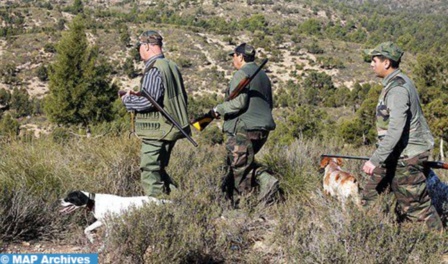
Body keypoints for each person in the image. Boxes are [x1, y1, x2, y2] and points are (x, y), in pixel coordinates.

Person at [361, 41, 443, 231]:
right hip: (394, 154)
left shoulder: (398, 89)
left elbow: (395, 130)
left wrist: (375, 160)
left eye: (374, 60)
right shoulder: (395, 83)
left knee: (415, 206)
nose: (371, 64)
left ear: (387, 63)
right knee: (370, 194)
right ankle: (366, 237)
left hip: (407, 156)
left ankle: (439, 247)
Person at [120, 30, 191, 197]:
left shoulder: (154, 68)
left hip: (157, 130)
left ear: (146, 46)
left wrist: (127, 100)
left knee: (150, 170)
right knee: (159, 169)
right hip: (172, 127)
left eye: (140, 46)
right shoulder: (170, 65)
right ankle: (179, 202)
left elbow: (148, 102)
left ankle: (158, 209)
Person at [210, 43, 280, 206]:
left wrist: (218, 109)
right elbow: (269, 103)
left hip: (243, 128)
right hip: (262, 128)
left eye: (234, 56)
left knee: (239, 171)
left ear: (240, 56)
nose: (233, 60)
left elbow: (239, 103)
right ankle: (267, 180)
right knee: (243, 163)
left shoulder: (241, 73)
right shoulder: (263, 76)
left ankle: (242, 209)